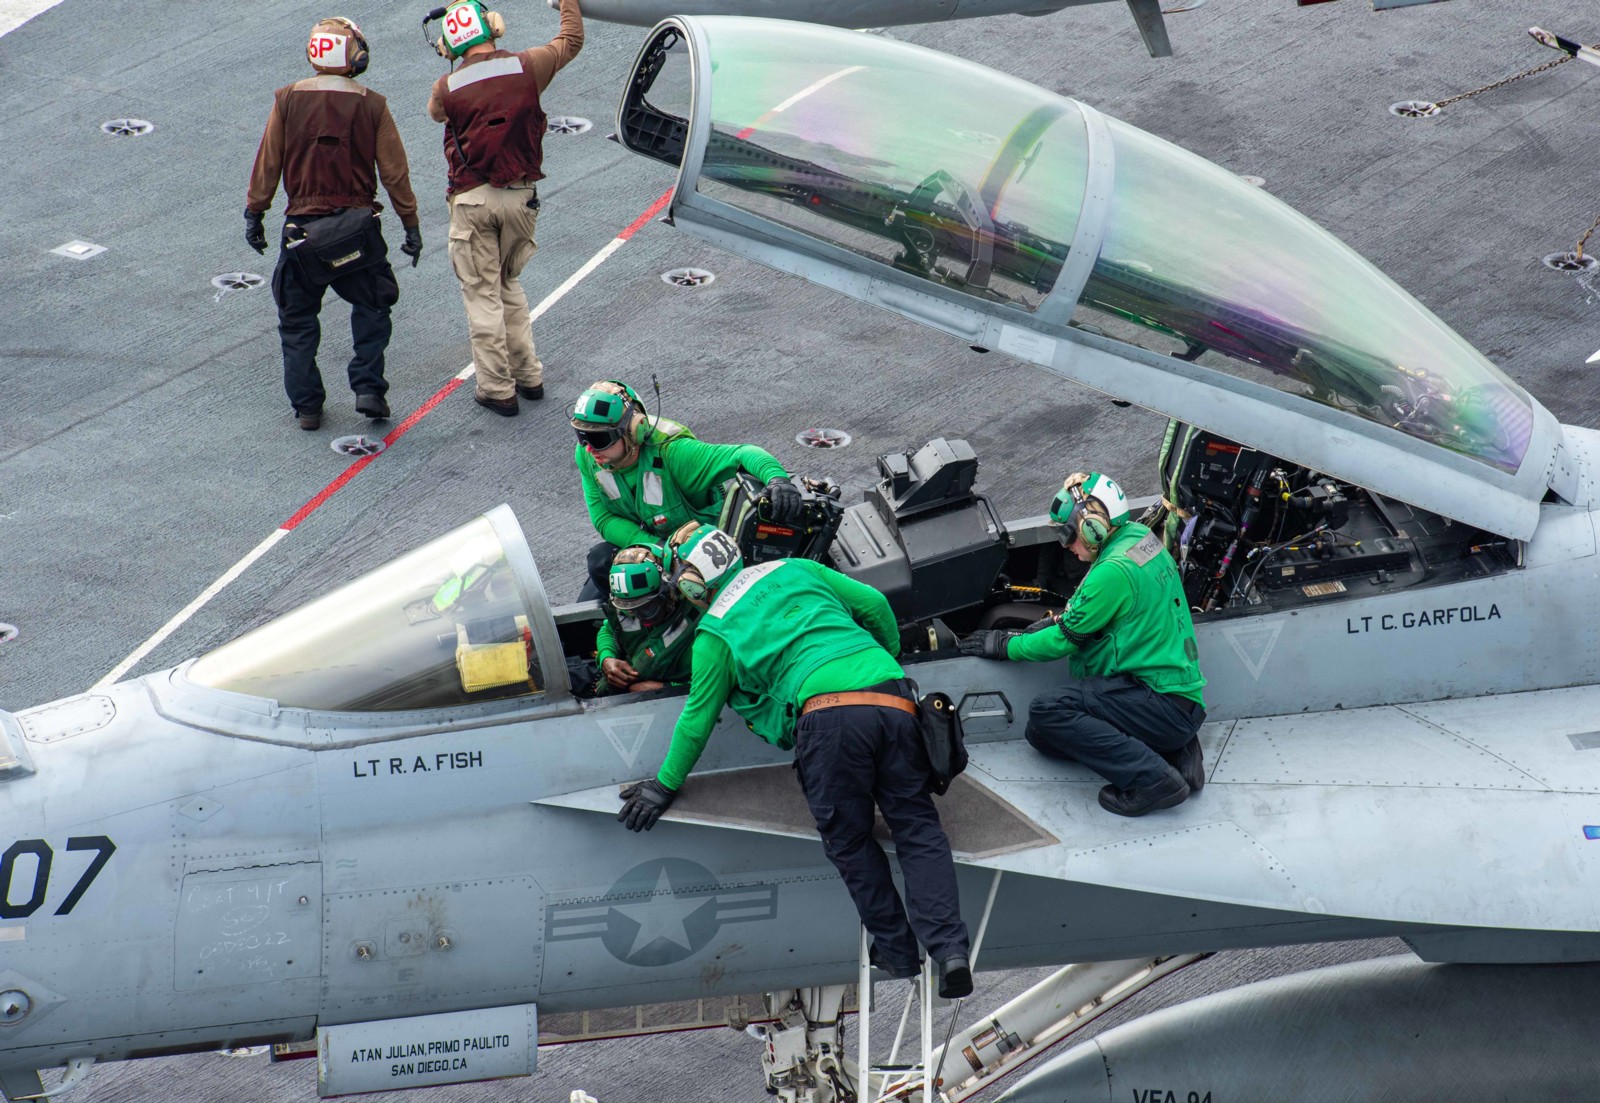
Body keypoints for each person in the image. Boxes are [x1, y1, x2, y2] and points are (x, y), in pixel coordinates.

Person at [617, 524, 973, 999]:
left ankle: (897, 950)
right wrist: (883, 665)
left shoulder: (713, 636)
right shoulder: (796, 567)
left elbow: (695, 721)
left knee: (849, 840)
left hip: (828, 719)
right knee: (918, 828)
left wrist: (663, 785)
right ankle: (950, 951)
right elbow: (876, 606)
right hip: (894, 698)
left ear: (691, 584)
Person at [959, 472, 1207, 817]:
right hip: (1180, 700)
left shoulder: (1112, 572)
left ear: (1093, 526)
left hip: (1156, 700)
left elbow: (1063, 641)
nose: (1066, 546)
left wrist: (1005, 644)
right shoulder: (1139, 538)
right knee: (1041, 735)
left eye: (1068, 534)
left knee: (1049, 712)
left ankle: (1154, 780)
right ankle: (1177, 747)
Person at [246, 17, 421, 432]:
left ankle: (308, 408)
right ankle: (368, 389)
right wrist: (410, 225)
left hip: (301, 234)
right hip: (357, 230)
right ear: (354, 56)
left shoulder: (287, 100)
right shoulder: (372, 104)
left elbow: (268, 161)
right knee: (374, 305)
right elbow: (395, 174)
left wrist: (256, 213)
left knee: (297, 319)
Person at [426, 0, 583, 418]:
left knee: (482, 295)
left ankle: (497, 388)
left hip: (472, 199)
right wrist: (568, 3)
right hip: (520, 196)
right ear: (494, 27)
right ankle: (528, 375)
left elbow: (435, 112)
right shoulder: (528, 65)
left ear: (449, 44)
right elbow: (571, 40)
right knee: (508, 283)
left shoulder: (447, 87)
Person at [570, 380, 803, 599]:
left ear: (633, 430)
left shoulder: (675, 453)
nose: (589, 449)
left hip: (704, 561)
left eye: (599, 439)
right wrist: (658, 551)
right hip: (655, 552)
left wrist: (778, 480)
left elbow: (743, 454)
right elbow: (604, 518)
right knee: (600, 562)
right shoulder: (588, 456)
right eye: (581, 436)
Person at [590, 542, 699, 696]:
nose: (640, 618)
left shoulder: (698, 624)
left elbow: (716, 680)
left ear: (668, 593)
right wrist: (606, 658)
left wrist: (667, 688)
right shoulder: (629, 611)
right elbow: (608, 630)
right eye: (630, 610)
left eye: (647, 609)